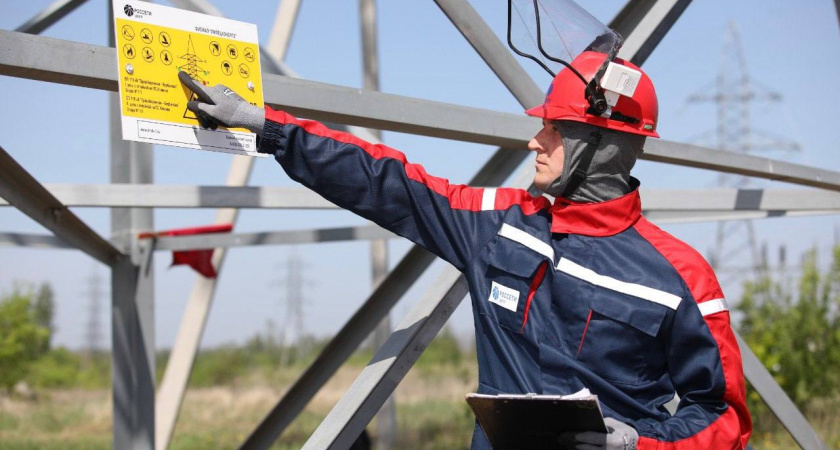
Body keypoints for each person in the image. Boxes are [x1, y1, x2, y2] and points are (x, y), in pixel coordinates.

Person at [178, 46, 751, 449]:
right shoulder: (497, 223)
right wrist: (269, 128)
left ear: (599, 146)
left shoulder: (681, 277)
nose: (536, 138)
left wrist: (642, 446)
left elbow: (723, 417)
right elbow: (387, 182)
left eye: (554, 127)